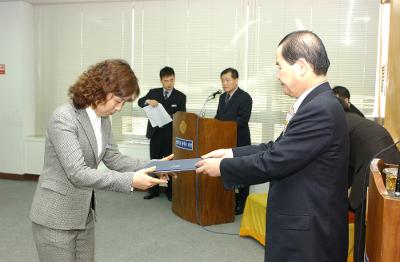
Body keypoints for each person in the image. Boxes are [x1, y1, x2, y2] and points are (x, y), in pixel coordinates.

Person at [196, 30, 349, 262]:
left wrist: (223, 167)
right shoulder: (315, 102)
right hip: (302, 224)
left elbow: (274, 161)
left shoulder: (320, 108)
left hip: (308, 236)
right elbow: (276, 147)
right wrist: (231, 152)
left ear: (301, 66)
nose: (277, 75)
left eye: (279, 66)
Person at [30, 59, 171, 262]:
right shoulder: (64, 118)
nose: (120, 108)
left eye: (124, 102)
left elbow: (113, 157)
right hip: (56, 218)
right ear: (100, 89)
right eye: (117, 100)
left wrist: (154, 165)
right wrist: (130, 180)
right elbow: (77, 172)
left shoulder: (103, 119)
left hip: (83, 215)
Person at [337, 97, 400, 262]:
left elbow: (340, 161)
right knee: (387, 224)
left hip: (372, 170)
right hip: (392, 165)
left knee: (363, 232)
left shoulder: (339, 122)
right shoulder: (357, 120)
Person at [138, 66, 186, 201]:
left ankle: (171, 192)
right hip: (155, 135)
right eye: (166, 81)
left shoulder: (181, 96)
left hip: (171, 136)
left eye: (172, 80)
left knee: (170, 164)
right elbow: (140, 102)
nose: (169, 83)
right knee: (155, 164)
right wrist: (148, 101)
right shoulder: (154, 92)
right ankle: (153, 190)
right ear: (161, 80)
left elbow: (183, 117)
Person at [215, 68, 252, 215]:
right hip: (224, 140)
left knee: (242, 172)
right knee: (227, 171)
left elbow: (242, 120)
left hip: (239, 140)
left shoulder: (245, 97)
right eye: (222, 80)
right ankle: (228, 199)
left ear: (236, 80)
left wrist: (223, 126)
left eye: (227, 80)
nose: (224, 83)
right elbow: (218, 116)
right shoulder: (222, 97)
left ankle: (242, 203)